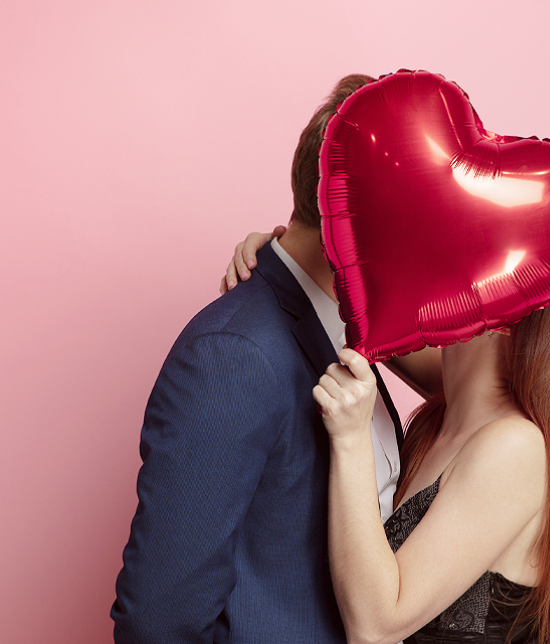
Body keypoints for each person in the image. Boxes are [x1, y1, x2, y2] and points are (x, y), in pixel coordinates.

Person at [111, 74, 441, 644]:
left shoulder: (345, 325)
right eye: (412, 218)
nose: (424, 243)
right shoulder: (234, 357)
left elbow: (470, 386)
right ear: (356, 220)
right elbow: (157, 622)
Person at [227, 232, 550, 643]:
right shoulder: (453, 412)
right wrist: (289, 258)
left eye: (476, 264)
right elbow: (361, 315)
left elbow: (375, 627)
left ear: (505, 319)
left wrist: (351, 437)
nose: (446, 268)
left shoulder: (515, 446)